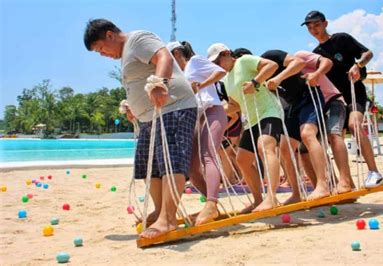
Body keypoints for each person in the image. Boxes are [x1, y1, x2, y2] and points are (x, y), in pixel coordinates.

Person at [84, 19, 197, 238]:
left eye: (101, 49)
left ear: (110, 35)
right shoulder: (127, 52)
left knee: (171, 161)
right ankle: (160, 211)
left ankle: (168, 219)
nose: (103, 55)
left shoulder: (138, 39)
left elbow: (163, 56)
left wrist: (159, 84)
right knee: (150, 165)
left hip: (173, 107)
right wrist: (133, 106)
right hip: (150, 117)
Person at [302, 10, 383, 188]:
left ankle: (374, 172)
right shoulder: (316, 54)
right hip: (335, 101)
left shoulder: (341, 39)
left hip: (355, 92)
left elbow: (368, 53)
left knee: (355, 125)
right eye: (309, 27)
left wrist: (358, 65)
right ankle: (347, 183)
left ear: (325, 24)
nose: (313, 29)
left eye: (316, 25)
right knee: (334, 136)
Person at [208, 43, 283, 212]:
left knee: (265, 147)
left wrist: (255, 82)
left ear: (227, 53)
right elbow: (235, 105)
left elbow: (272, 66)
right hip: (251, 120)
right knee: (242, 159)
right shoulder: (226, 80)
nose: (217, 66)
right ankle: (258, 200)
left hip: (268, 112)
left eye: (218, 61)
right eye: (214, 64)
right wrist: (212, 112)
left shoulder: (244, 61)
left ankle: (271, 197)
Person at [167, 41, 227, 225]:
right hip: (197, 117)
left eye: (169, 58)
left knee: (208, 156)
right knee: (191, 168)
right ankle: (212, 207)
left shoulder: (195, 61)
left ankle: (211, 204)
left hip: (213, 111)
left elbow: (220, 72)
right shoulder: (180, 75)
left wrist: (200, 85)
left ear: (177, 53)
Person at [260, 49, 330, 203]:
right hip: (291, 106)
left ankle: (322, 185)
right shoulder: (254, 79)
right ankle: (296, 193)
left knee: (307, 134)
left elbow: (299, 63)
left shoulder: (270, 56)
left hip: (309, 96)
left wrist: (278, 78)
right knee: (284, 148)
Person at [294, 50, 354, 193]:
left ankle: (345, 181)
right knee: (304, 150)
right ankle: (324, 187)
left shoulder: (299, 56)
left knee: (333, 134)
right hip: (313, 108)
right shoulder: (282, 76)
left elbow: (327, 62)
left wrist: (317, 74)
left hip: (331, 101)